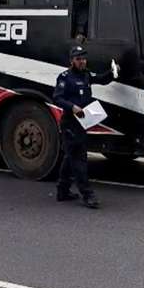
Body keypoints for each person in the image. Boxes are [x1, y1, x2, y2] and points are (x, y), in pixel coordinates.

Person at [53, 45, 119, 209]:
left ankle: (62, 190)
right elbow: (57, 98)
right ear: (72, 61)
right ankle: (87, 194)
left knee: (70, 157)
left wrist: (113, 73)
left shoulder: (86, 74)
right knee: (79, 159)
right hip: (70, 123)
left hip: (83, 122)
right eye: (78, 59)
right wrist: (72, 107)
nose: (82, 62)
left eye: (83, 58)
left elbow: (102, 79)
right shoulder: (65, 77)